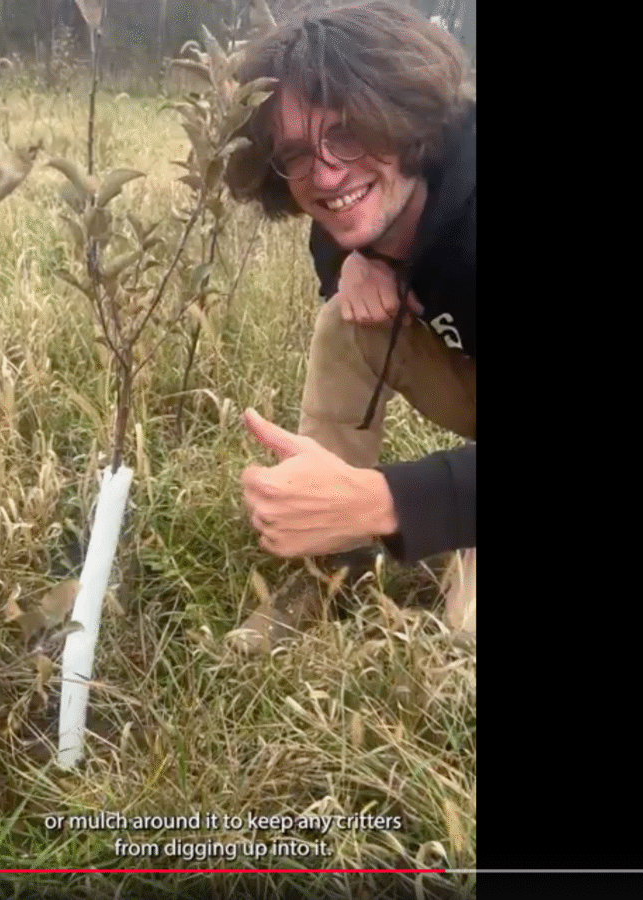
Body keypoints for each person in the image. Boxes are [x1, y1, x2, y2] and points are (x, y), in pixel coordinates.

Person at [222, 0, 476, 652]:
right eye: (297, 153)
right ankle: (330, 564)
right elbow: (336, 208)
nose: (327, 174)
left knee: (462, 643)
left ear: (405, 118)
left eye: (348, 134)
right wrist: (352, 261)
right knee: (345, 320)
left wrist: (384, 501)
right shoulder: (349, 201)